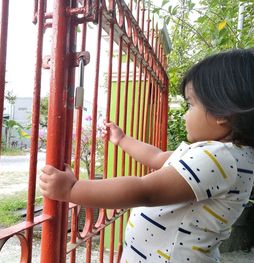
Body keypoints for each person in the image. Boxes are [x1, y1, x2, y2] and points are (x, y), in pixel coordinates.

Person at [39, 48, 254, 262]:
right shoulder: (216, 155)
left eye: (190, 105)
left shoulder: (219, 158)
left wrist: (72, 190)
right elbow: (158, 157)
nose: (185, 115)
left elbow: (144, 191)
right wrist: (122, 140)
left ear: (222, 114)